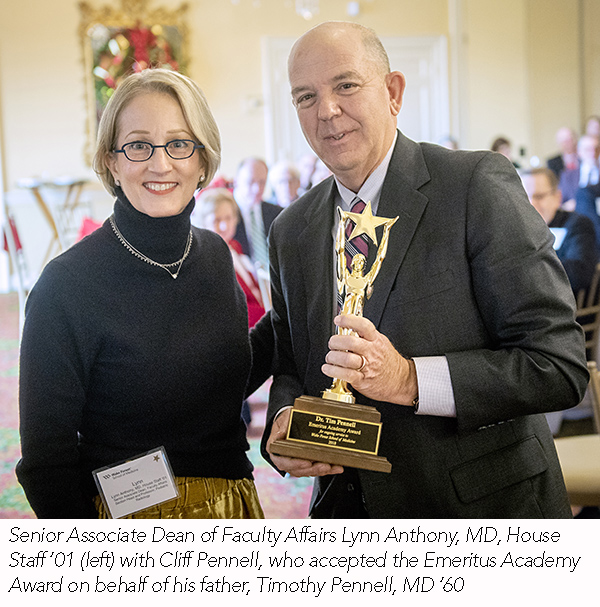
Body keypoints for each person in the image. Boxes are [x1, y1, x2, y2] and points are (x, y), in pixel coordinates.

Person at [259, 21, 588, 518]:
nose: (326, 111)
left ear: (393, 92)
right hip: (348, 515)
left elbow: (557, 365)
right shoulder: (291, 229)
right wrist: (284, 421)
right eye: (305, 97)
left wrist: (409, 380)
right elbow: (289, 362)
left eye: (346, 85)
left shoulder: (473, 186)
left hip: (482, 513)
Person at [16, 68, 264, 519]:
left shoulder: (215, 256)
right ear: (111, 160)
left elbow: (217, 382)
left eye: (179, 143)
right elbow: (45, 464)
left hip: (234, 504)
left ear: (203, 160)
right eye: (137, 145)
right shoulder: (65, 286)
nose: (160, 163)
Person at [193, 187, 266, 328]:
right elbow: (229, 309)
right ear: (203, 222)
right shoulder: (206, 258)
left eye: (228, 218)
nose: (224, 225)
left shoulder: (234, 246)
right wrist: (269, 316)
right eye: (216, 220)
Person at [521, 168, 598, 295]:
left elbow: (579, 273)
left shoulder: (577, 224)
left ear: (557, 197)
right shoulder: (519, 231)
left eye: (539, 196)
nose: (532, 203)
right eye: (525, 198)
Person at [232, 157, 282, 271]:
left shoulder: (277, 213)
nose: (257, 189)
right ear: (236, 181)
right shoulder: (224, 215)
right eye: (250, 182)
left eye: (262, 182)